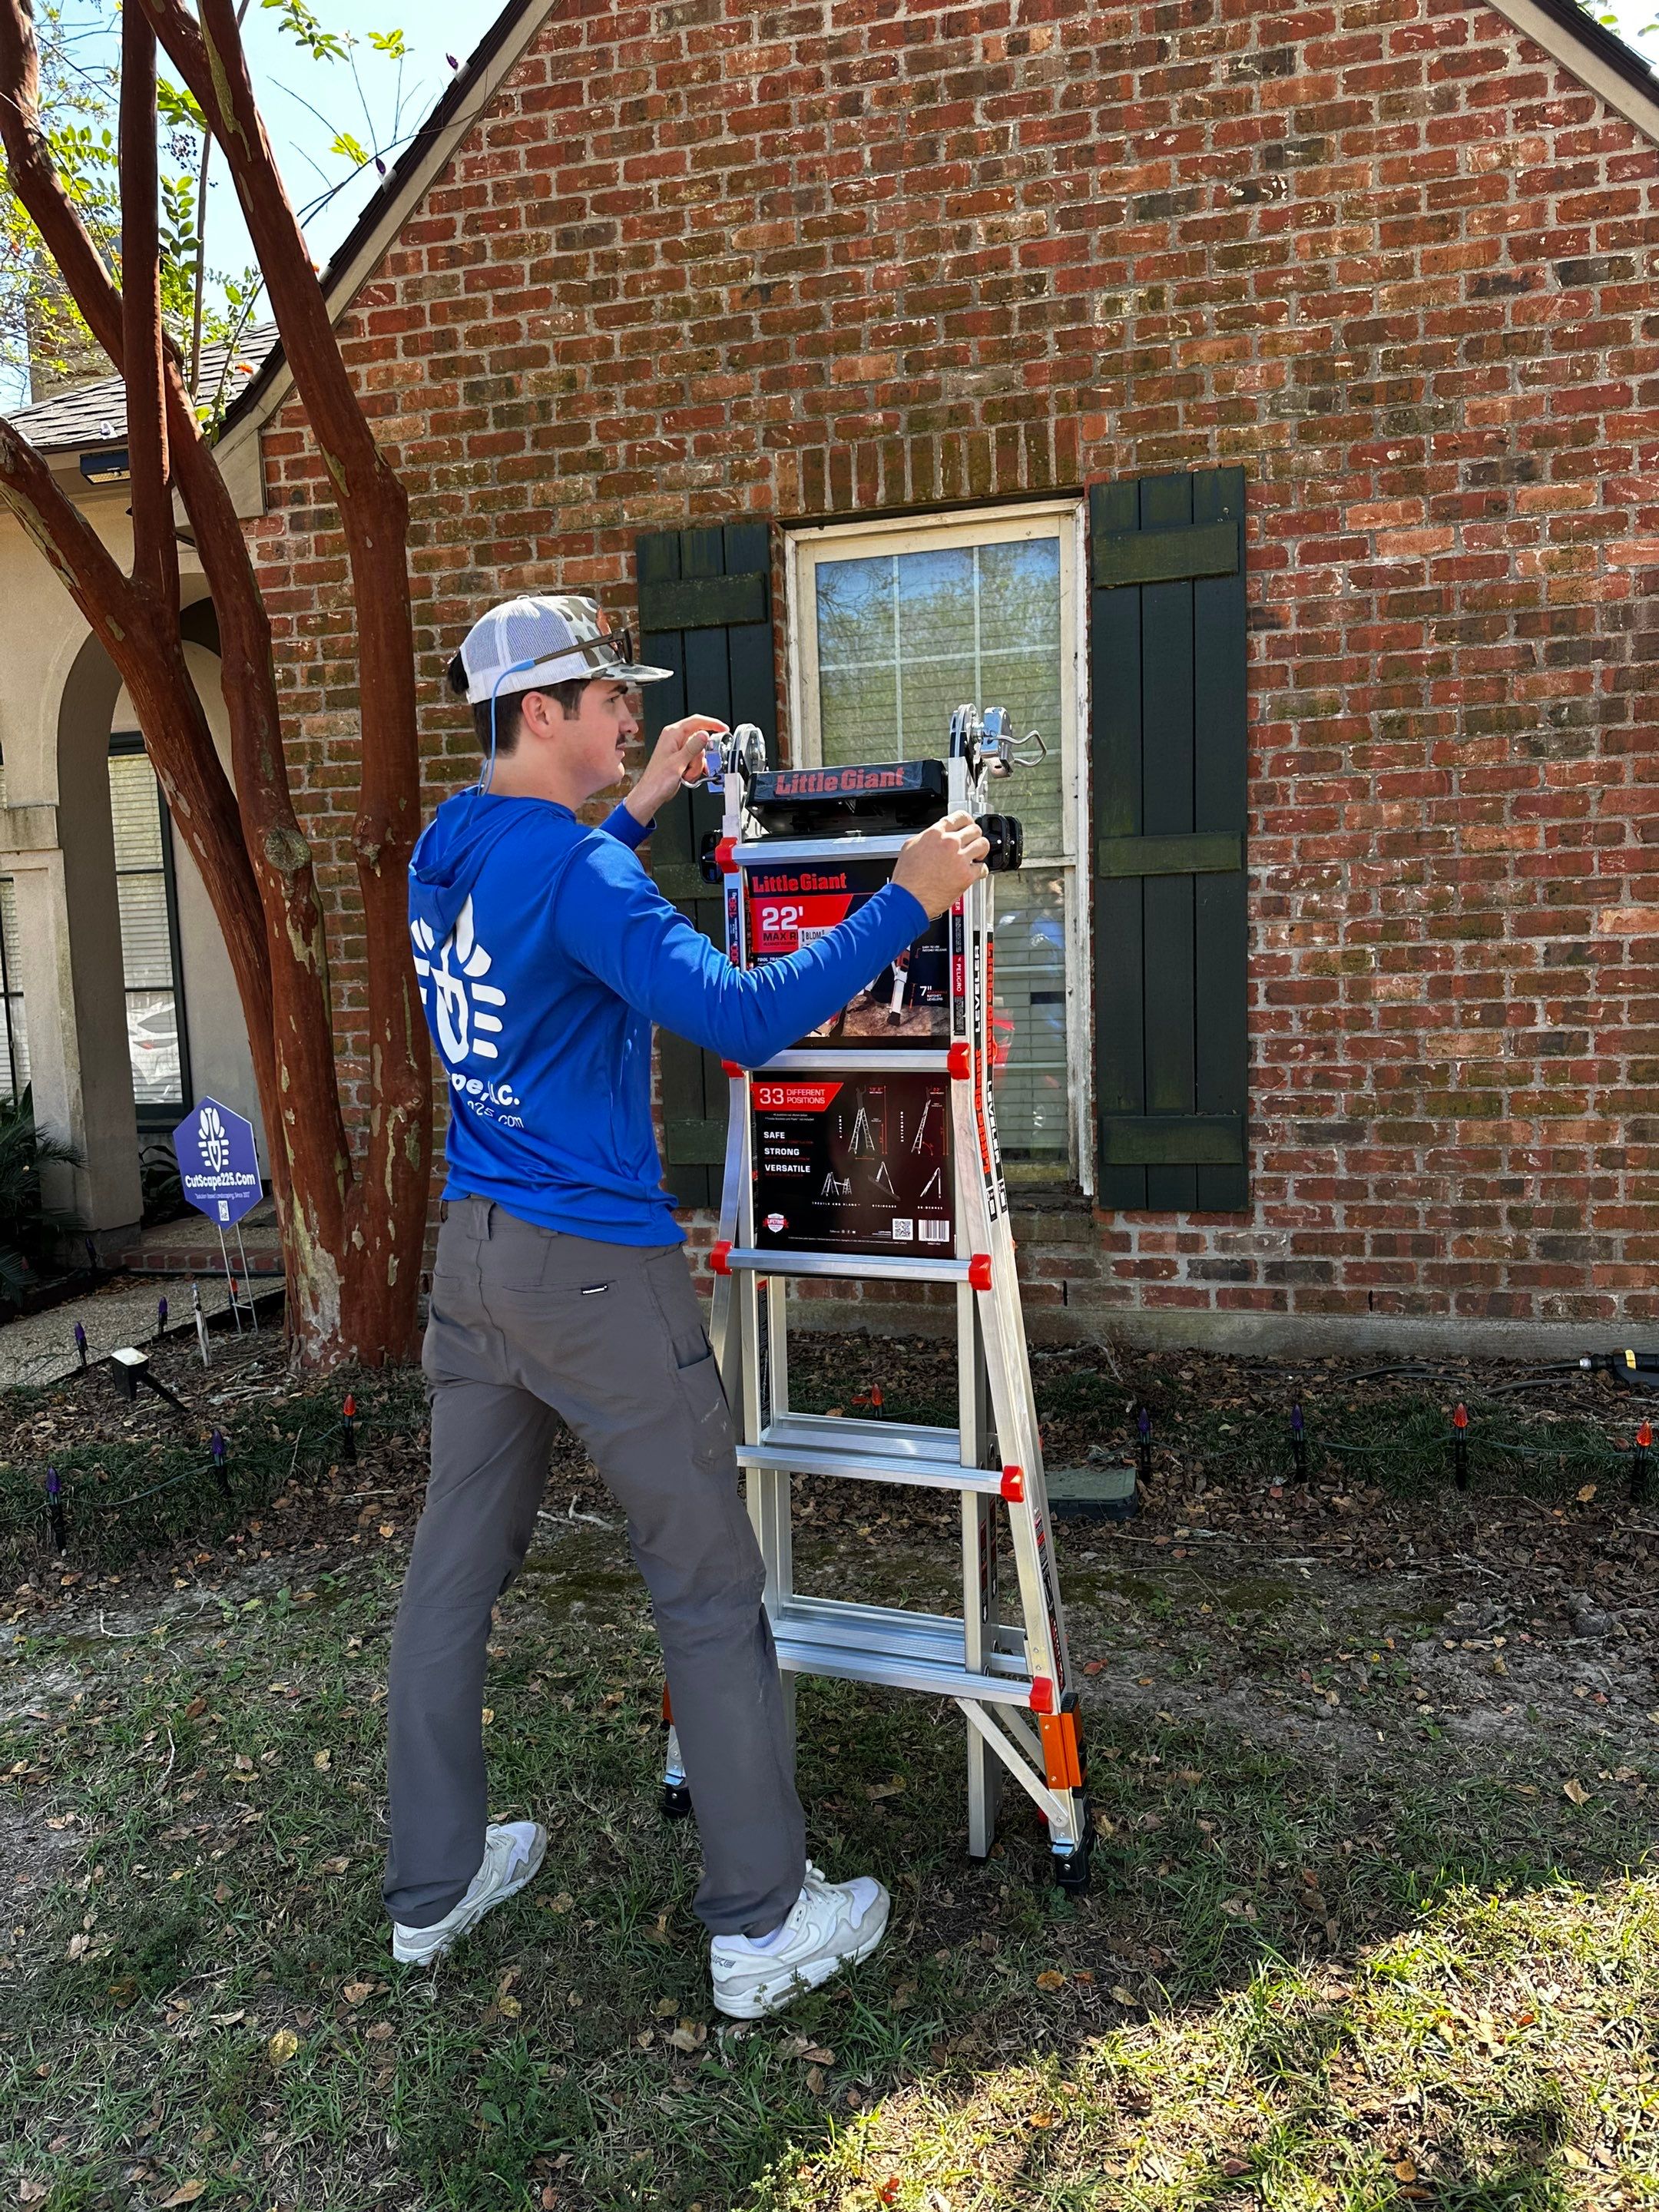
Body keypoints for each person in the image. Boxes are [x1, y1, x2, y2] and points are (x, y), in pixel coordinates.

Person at [386, 592, 988, 2019]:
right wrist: (911, 894)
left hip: (472, 1262)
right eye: (607, 703)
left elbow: (546, 904)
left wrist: (645, 801)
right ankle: (761, 1923)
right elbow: (735, 1017)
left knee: (448, 1585)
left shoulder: (448, 845)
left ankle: (432, 1886)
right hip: (596, 1273)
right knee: (711, 1590)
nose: (631, 717)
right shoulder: (579, 877)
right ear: (540, 714)